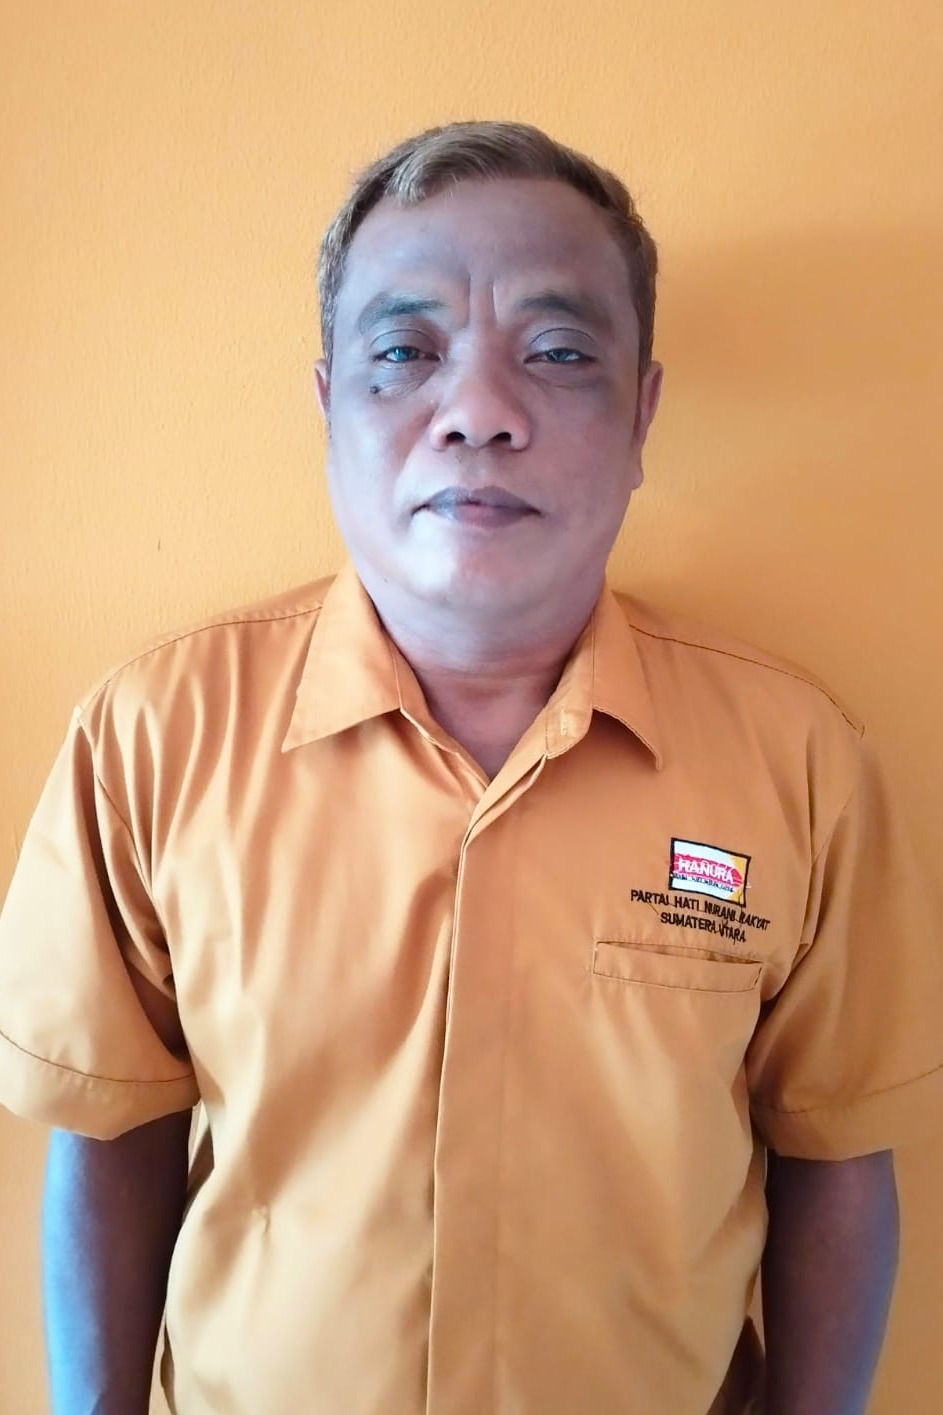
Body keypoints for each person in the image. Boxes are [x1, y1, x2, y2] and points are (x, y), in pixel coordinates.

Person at [0, 120, 940, 1415]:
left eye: (558, 352)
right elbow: (111, 1134)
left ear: (641, 414)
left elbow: (835, 1158)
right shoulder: (154, 736)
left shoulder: (801, 763)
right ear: (330, 406)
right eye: (405, 352)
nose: (481, 414)